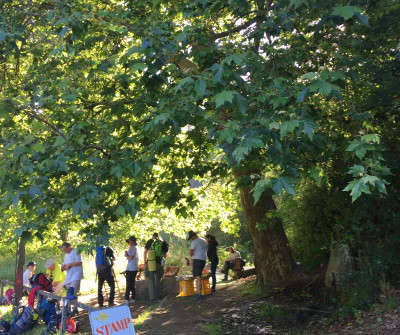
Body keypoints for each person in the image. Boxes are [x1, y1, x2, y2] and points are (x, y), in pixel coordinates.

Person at [144, 232, 167, 301]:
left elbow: (145, 252)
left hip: (151, 262)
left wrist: (145, 262)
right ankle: (158, 296)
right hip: (159, 263)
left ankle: (152, 297)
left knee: (151, 279)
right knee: (158, 279)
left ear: (152, 236)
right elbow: (165, 255)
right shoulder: (162, 243)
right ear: (158, 236)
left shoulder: (150, 241)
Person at [61, 242, 83, 307]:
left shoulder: (76, 252)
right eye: (63, 249)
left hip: (76, 274)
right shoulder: (66, 255)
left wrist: (70, 265)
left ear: (69, 247)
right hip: (69, 275)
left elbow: (79, 262)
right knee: (68, 292)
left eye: (65, 249)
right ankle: (69, 307)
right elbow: (65, 263)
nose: (64, 251)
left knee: (73, 291)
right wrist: (63, 266)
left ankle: (75, 307)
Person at [188, 230, 207, 302]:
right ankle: (198, 292)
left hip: (197, 260)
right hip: (203, 260)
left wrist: (189, 256)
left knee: (198, 277)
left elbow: (191, 252)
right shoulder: (203, 241)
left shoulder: (194, 242)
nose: (191, 239)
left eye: (191, 238)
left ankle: (199, 295)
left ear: (193, 236)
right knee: (197, 276)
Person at [124, 236, 138, 304]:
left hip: (131, 268)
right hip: (134, 267)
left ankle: (126, 298)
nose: (128, 243)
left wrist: (126, 255)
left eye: (129, 241)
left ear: (131, 241)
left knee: (129, 283)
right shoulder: (135, 247)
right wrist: (127, 254)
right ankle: (133, 298)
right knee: (132, 283)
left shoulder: (132, 248)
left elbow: (131, 258)